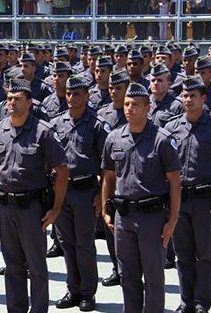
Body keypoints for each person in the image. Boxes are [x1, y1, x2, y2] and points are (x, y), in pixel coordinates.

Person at [0, 78, 69, 313]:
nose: (12, 103)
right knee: (12, 266)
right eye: (9, 99)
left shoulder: (43, 132)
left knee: (37, 267)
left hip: (32, 208)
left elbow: (62, 171)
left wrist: (56, 208)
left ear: (29, 103)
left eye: (17, 99)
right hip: (5, 206)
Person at [101, 82, 181, 313]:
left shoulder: (162, 140)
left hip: (152, 217)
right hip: (123, 217)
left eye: (135, 105)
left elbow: (175, 182)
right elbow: (108, 176)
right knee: (128, 274)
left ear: (147, 108)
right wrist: (107, 210)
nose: (129, 109)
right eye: (126, 104)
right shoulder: (114, 138)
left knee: (153, 276)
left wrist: (172, 219)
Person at [50, 75, 110, 311]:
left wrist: (101, 196)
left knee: (84, 245)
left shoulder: (97, 124)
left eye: (77, 94)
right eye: (69, 93)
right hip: (61, 191)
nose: (72, 98)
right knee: (67, 243)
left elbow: (107, 166)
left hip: (85, 191)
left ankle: (87, 293)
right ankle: (72, 289)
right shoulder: (57, 123)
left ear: (86, 96)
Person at [163, 75, 211, 313]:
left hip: (204, 200)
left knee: (204, 254)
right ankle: (187, 300)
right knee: (182, 253)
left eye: (193, 96)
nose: (188, 100)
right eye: (185, 96)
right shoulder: (171, 128)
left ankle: (202, 301)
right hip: (179, 199)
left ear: (203, 98)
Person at [96, 68, 130, 287]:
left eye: (119, 88)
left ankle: (130, 271)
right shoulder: (101, 114)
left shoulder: (135, 111)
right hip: (109, 178)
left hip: (132, 179)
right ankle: (116, 268)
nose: (114, 92)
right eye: (112, 88)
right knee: (110, 227)